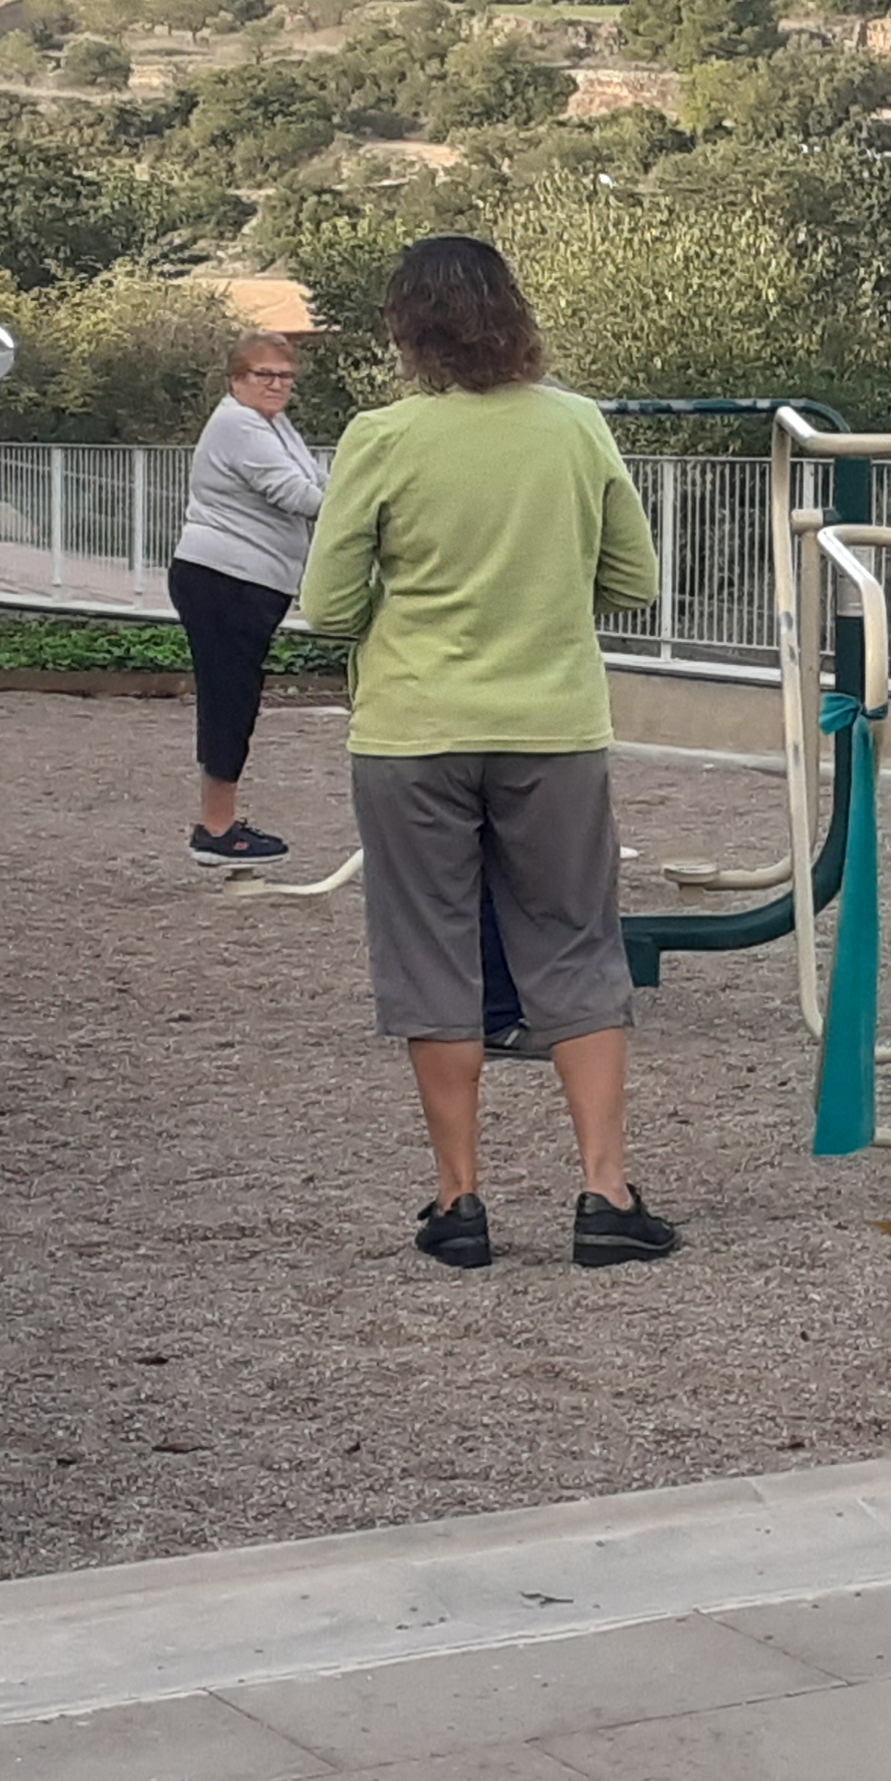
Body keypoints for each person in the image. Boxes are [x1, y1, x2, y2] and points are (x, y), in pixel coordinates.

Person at [297, 236, 674, 1272]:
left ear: (405, 330)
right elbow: (633, 582)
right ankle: (606, 1192)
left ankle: (460, 1200)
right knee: (576, 947)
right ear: (515, 314)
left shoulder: (382, 437)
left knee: (432, 952)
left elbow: (327, 605)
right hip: (553, 726)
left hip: (413, 730)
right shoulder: (575, 425)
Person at [169, 330, 328, 868]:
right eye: (265, 375)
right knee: (229, 700)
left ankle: (220, 822)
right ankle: (216, 828)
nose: (277, 385)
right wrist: (369, 510)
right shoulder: (239, 424)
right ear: (237, 379)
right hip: (224, 579)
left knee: (237, 696)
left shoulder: (272, 424)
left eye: (286, 376)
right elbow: (297, 494)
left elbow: (314, 479)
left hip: (246, 581)